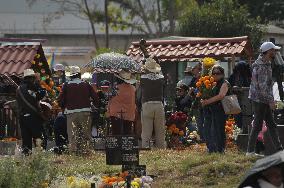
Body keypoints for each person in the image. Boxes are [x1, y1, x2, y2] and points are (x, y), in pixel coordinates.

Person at [247, 42, 283, 156]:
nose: (275, 52)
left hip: (262, 99)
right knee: (258, 125)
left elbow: (266, 86)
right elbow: (263, 87)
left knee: (271, 124)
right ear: (268, 51)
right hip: (260, 100)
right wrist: (271, 101)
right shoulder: (262, 66)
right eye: (273, 50)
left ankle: (279, 149)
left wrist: (269, 99)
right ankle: (250, 151)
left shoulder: (266, 63)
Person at [59, 66, 98, 155]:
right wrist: (94, 105)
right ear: (79, 75)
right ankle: (87, 152)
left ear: (71, 76)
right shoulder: (86, 84)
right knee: (86, 134)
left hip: (71, 113)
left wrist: (64, 107)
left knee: (72, 135)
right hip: (85, 112)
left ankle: (73, 153)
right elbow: (95, 98)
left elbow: (60, 100)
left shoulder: (66, 85)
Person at [16, 69, 45, 155]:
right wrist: (39, 82)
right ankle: (39, 156)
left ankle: (26, 157)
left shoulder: (18, 88)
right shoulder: (33, 86)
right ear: (33, 78)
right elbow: (42, 93)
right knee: (37, 138)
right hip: (33, 116)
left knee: (26, 139)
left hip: (22, 117)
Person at [201, 65, 229, 153]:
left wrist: (207, 101)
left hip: (221, 109)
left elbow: (221, 96)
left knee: (219, 129)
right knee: (209, 129)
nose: (215, 75)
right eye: (213, 73)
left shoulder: (225, 83)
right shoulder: (212, 83)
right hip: (211, 109)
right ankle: (211, 148)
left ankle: (220, 149)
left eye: (218, 73)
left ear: (222, 74)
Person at [140, 57, 166, 148]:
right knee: (160, 130)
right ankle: (161, 149)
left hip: (147, 104)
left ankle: (145, 148)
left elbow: (139, 92)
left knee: (146, 131)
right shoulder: (161, 78)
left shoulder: (142, 78)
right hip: (159, 104)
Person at [107, 70, 136, 135]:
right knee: (127, 133)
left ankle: (118, 144)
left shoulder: (115, 88)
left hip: (115, 113)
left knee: (116, 133)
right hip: (129, 113)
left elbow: (109, 99)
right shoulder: (133, 89)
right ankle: (126, 145)